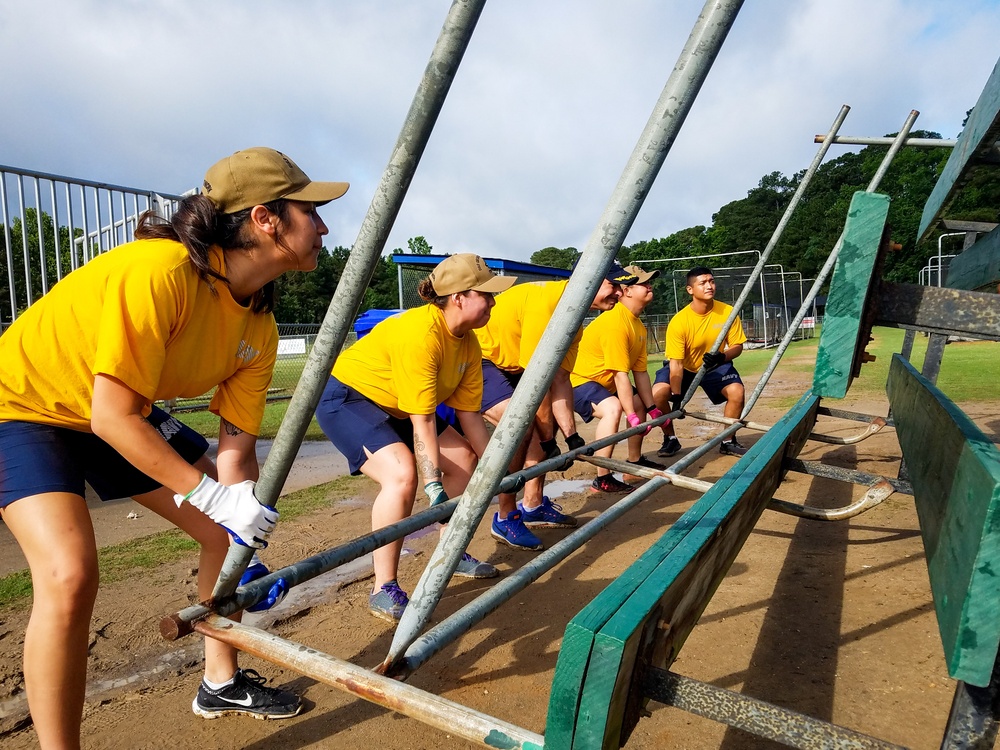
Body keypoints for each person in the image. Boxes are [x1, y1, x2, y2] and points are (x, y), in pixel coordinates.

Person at [0, 146, 348, 746]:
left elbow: (234, 454)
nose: (323, 226)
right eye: (311, 211)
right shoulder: (160, 272)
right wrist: (215, 498)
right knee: (70, 573)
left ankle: (218, 680)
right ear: (266, 218)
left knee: (222, 532)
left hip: (111, 412)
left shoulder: (258, 322)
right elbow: (113, 419)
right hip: (23, 407)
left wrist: (241, 524)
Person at [315, 254, 515, 622]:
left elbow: (470, 415)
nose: (493, 302)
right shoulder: (422, 334)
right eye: (486, 294)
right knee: (403, 475)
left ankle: (449, 553)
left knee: (466, 463)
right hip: (348, 397)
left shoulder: (468, 342)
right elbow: (422, 420)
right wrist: (432, 483)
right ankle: (383, 588)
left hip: (399, 405)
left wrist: (495, 469)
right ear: (458, 297)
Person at [476, 262, 639, 550]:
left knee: (538, 443)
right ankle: (504, 517)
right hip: (483, 361)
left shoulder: (574, 322)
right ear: (588, 282)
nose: (619, 293)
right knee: (521, 427)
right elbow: (536, 386)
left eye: (622, 287)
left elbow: (560, 380)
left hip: (515, 368)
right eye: (613, 285)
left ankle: (533, 505)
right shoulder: (549, 308)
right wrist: (551, 438)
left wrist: (571, 436)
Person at [570, 264, 666, 491]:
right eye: (643, 283)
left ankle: (634, 462)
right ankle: (602, 477)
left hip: (606, 382)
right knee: (614, 409)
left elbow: (640, 372)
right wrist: (630, 414)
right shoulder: (615, 322)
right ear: (627, 290)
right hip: (579, 381)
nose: (649, 285)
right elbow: (620, 374)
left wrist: (652, 408)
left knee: (639, 402)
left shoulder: (638, 325)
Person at [652, 265, 749, 457]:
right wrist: (677, 395)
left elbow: (737, 346)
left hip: (715, 366)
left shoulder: (728, 312)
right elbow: (677, 364)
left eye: (711, 281)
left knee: (737, 392)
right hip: (685, 368)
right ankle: (670, 439)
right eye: (703, 283)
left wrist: (723, 357)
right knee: (658, 394)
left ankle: (728, 440)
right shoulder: (679, 322)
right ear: (690, 290)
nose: (709, 286)